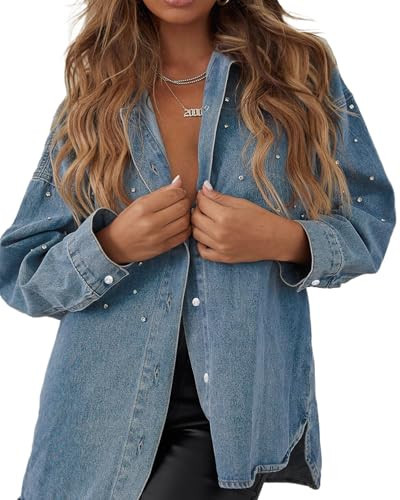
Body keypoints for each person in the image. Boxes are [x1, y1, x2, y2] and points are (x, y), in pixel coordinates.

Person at [1, 1, 396, 499]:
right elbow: (21, 272)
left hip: (228, 417)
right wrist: (111, 246)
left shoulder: (298, 76)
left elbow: (368, 222)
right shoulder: (97, 96)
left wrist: (281, 237)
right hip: (95, 420)